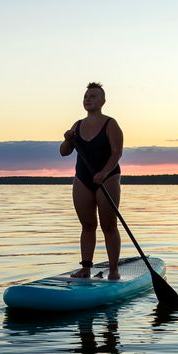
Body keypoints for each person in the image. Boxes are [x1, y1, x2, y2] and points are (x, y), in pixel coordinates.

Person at [59, 82, 123, 279]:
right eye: (86, 96)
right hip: (83, 178)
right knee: (87, 225)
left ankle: (113, 270)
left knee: (108, 225)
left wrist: (104, 172)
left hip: (108, 177)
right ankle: (85, 268)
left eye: (93, 96)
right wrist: (68, 139)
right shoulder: (77, 125)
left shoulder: (110, 124)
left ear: (103, 101)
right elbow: (64, 152)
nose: (88, 99)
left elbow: (117, 152)